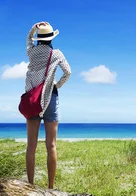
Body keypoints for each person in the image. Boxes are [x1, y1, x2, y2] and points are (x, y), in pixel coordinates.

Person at [25, 21, 71, 189]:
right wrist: (56, 86)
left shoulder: (32, 52)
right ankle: (51, 188)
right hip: (50, 98)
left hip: (33, 100)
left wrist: (33, 28)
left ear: (39, 38)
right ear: (51, 38)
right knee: (51, 145)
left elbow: (28, 40)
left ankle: (30, 187)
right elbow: (68, 72)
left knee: (31, 146)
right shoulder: (57, 53)